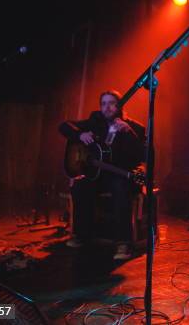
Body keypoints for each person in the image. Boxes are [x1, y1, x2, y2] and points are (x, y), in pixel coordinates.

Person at [59, 90, 145, 260]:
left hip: (120, 175)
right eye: (103, 103)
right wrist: (80, 134)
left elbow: (142, 155)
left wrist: (129, 133)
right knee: (80, 185)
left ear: (120, 106)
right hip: (98, 175)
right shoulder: (94, 121)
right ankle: (82, 236)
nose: (107, 107)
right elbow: (64, 126)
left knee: (120, 188)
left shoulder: (134, 127)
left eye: (111, 103)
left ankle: (123, 243)